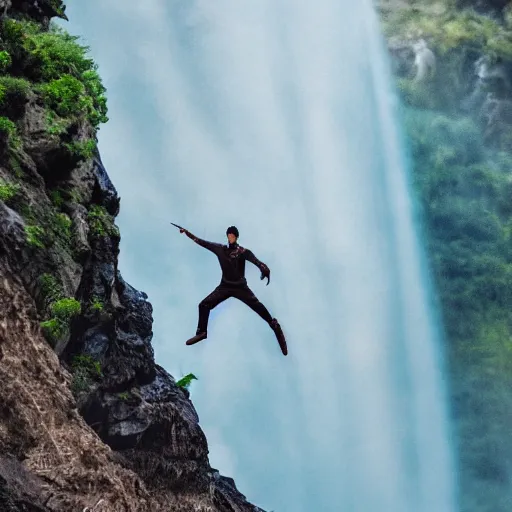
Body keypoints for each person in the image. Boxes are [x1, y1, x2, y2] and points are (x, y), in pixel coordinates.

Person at [178, 225, 288, 356]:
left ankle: (274, 325)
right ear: (227, 236)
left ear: (236, 237)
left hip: (241, 287)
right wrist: (186, 233)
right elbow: (201, 242)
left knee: (257, 306)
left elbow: (257, 261)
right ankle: (202, 332)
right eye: (229, 235)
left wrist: (264, 269)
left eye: (233, 235)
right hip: (225, 286)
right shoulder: (220, 249)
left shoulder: (242, 251)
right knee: (203, 305)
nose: (230, 237)